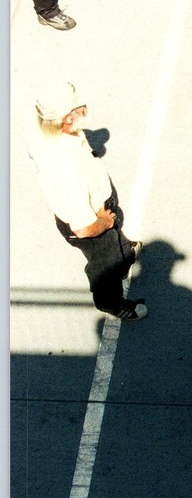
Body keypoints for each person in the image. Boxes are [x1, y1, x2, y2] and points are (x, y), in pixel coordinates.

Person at [27, 79, 147, 320]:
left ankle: (124, 252)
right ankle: (111, 303)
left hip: (93, 208)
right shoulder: (66, 169)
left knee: (116, 245)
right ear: (66, 117)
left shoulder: (44, 130)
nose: (83, 108)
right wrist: (104, 222)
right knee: (106, 266)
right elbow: (83, 229)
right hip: (93, 221)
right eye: (77, 106)